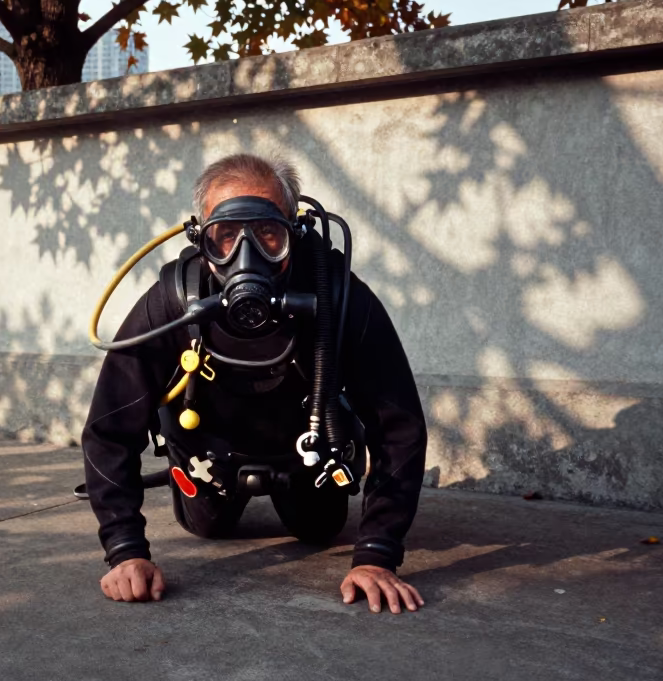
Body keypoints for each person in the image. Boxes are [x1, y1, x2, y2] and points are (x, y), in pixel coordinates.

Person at [81, 154, 428, 614]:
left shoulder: (338, 296)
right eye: (225, 235)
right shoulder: (175, 299)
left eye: (268, 233)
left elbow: (400, 428)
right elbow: (108, 429)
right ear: (202, 240)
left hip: (309, 458)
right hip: (207, 460)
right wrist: (125, 550)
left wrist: (377, 554)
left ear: (293, 232)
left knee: (320, 531)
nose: (246, 254)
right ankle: (193, 483)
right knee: (207, 528)